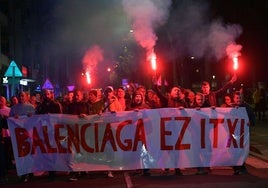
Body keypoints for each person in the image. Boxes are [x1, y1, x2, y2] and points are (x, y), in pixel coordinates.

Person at [35, 89, 62, 181]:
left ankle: (53, 171)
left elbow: (60, 117)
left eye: (48, 94)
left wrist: (52, 116)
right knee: (46, 151)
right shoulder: (40, 106)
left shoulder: (56, 105)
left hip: (53, 131)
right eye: (45, 94)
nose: (46, 95)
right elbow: (36, 117)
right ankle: (49, 170)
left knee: (53, 150)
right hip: (43, 131)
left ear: (51, 95)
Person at [9, 92, 36, 183]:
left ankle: (30, 172)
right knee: (21, 155)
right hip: (18, 136)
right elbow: (9, 120)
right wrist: (14, 118)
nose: (21, 97)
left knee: (30, 154)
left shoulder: (31, 107)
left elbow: (37, 120)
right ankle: (24, 173)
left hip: (29, 135)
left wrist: (32, 117)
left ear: (27, 97)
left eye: (22, 96)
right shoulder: (13, 108)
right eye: (19, 96)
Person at [66, 89, 89, 182]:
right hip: (73, 131)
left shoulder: (86, 105)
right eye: (75, 95)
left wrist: (85, 116)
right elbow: (66, 117)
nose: (76, 97)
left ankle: (82, 169)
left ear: (82, 96)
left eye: (78, 95)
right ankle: (75, 171)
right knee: (74, 152)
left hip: (83, 131)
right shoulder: (70, 106)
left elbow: (90, 116)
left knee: (83, 150)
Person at [232, 91, 255, 175]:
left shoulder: (248, 107)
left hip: (243, 134)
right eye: (237, 98)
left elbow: (253, 119)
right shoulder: (230, 108)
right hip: (233, 134)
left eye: (240, 97)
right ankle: (236, 168)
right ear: (234, 99)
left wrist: (250, 122)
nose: (239, 99)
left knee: (242, 151)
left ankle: (242, 167)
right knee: (233, 151)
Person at [0, 96, 11, 184]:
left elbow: (6, 125)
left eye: (2, 101)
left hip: (4, 137)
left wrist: (6, 119)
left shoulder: (8, 110)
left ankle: (4, 174)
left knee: (4, 155)